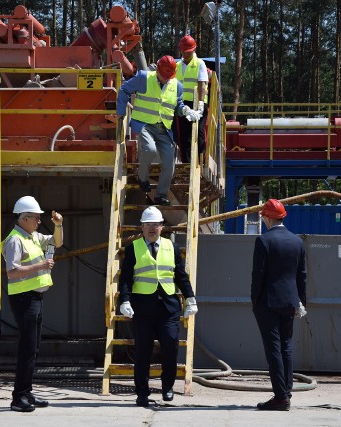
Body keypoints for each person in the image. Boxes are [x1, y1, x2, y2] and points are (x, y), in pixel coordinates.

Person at [118, 206, 198, 406]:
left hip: (168, 308)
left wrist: (190, 298)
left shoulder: (171, 247)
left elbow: (180, 275)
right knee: (143, 351)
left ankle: (167, 387)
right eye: (148, 224)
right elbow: (126, 279)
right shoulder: (132, 248)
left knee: (170, 346)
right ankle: (142, 393)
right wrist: (125, 300)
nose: (152, 228)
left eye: (156, 224)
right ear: (142, 227)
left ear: (162, 227)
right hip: (143, 308)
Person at [1, 195, 64, 412]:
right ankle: (18, 397)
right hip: (23, 298)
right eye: (36, 218)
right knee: (27, 348)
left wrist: (59, 225)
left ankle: (26, 392)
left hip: (34, 297)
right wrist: (41, 266)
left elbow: (57, 242)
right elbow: (11, 271)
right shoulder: (15, 240)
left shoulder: (32, 237)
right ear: (25, 218)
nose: (39, 221)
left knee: (33, 348)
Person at [117, 55, 201, 206]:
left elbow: (178, 106)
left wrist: (187, 111)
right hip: (144, 124)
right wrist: (121, 111)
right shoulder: (144, 77)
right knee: (149, 150)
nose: (165, 79)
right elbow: (124, 90)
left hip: (164, 129)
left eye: (168, 77)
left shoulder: (177, 86)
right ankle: (142, 178)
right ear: (157, 71)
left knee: (169, 161)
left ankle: (161, 195)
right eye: (163, 76)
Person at [251, 199, 307, 411]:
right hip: (290, 302)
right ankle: (286, 392)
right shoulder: (297, 242)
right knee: (286, 346)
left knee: (273, 348)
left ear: (267, 217)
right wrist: (301, 301)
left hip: (267, 302)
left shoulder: (264, 241)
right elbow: (302, 276)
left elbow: (258, 275)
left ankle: (281, 397)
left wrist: (254, 301)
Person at [173, 35, 209, 163]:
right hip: (183, 104)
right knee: (184, 134)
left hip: (198, 102)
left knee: (199, 131)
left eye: (189, 52)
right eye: (184, 52)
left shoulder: (200, 64)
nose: (186, 54)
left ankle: (200, 161)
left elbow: (202, 85)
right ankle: (187, 163)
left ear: (194, 50)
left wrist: (200, 105)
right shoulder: (176, 66)